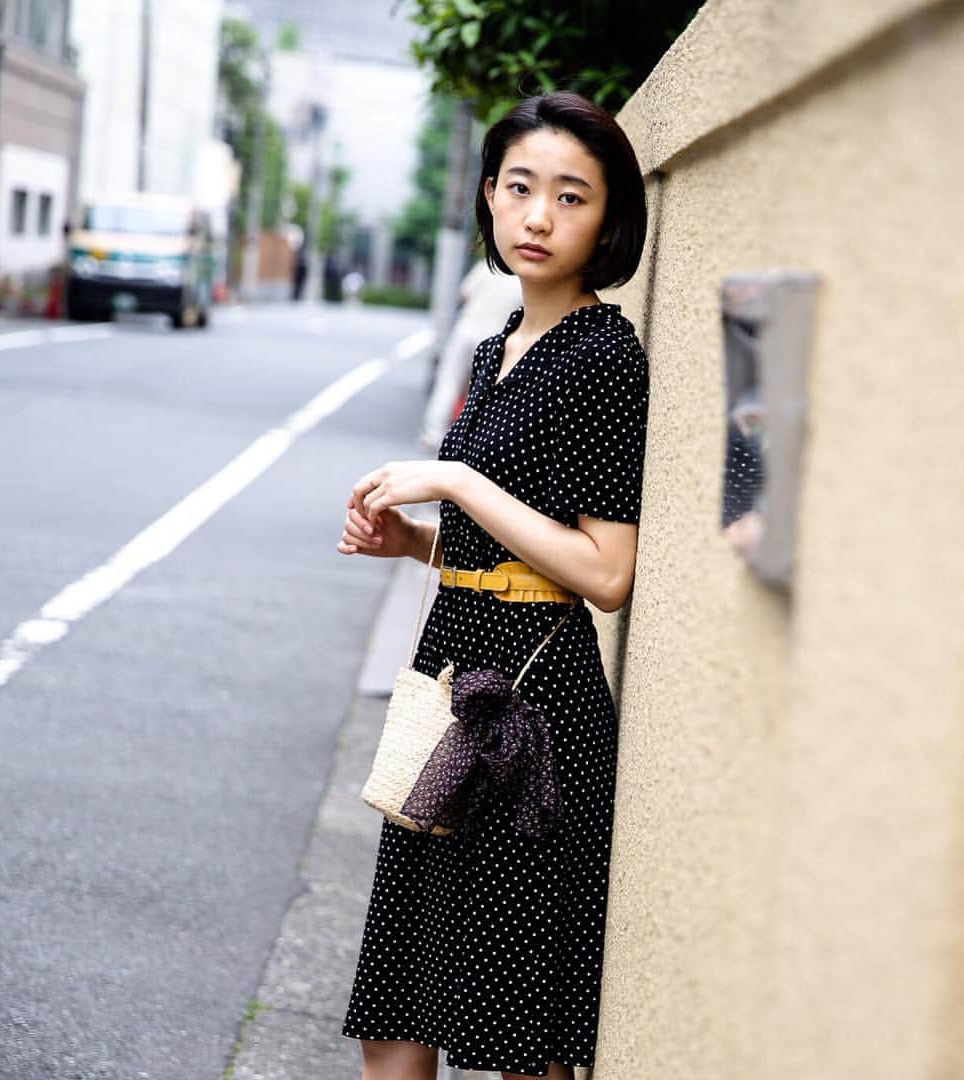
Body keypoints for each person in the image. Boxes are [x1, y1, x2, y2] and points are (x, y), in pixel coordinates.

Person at [336, 89, 650, 1080]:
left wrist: (457, 479)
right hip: (450, 685)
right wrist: (418, 550)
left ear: (608, 221)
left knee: (520, 1030)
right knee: (399, 1002)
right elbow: (506, 555)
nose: (540, 216)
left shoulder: (605, 360)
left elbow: (604, 571)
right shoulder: (495, 346)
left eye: (571, 196)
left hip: (538, 713)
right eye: (520, 188)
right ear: (489, 196)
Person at [419, 256, 525, 452]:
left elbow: (464, 294)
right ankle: (474, 440)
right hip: (494, 337)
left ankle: (433, 434)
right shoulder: (523, 279)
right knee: (483, 391)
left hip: (466, 330)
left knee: (448, 383)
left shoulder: (486, 267)